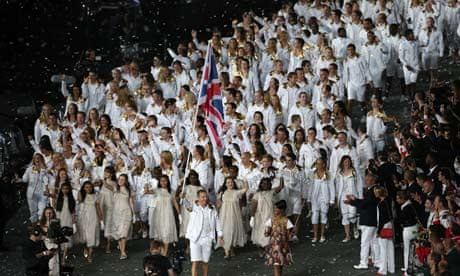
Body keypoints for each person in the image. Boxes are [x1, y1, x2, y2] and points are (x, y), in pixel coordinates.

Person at [345, 172, 380, 270]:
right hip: (372, 220)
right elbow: (365, 203)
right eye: (366, 180)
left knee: (365, 242)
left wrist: (352, 202)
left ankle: (363, 262)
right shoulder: (372, 190)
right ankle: (377, 261)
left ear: (373, 180)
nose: (366, 182)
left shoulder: (372, 190)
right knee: (374, 242)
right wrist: (354, 200)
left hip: (368, 220)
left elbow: (365, 204)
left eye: (368, 180)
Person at [185, 189, 223, 276]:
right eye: (202, 197)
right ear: (198, 198)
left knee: (205, 261)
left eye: (206, 196)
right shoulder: (194, 207)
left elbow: (217, 222)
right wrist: (182, 198)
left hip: (207, 238)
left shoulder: (212, 208)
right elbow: (186, 205)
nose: (205, 198)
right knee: (195, 262)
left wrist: (220, 235)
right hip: (195, 239)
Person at [217, 176, 248, 258]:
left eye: (231, 182)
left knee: (233, 230)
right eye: (228, 182)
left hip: (234, 215)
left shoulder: (236, 192)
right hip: (224, 216)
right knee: (225, 231)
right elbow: (219, 204)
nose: (230, 184)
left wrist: (245, 179)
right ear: (225, 184)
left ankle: (231, 248)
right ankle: (226, 250)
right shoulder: (223, 193)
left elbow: (245, 189)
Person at [264, 200, 293, 276]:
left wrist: (290, 235)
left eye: (277, 208)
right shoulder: (271, 220)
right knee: (276, 264)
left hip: (283, 245)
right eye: (275, 208)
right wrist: (267, 232)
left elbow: (289, 235)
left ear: (282, 210)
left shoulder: (286, 221)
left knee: (280, 264)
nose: (275, 210)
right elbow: (267, 232)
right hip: (274, 245)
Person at [111, 174, 135, 260]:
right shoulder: (115, 188)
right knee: (118, 233)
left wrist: (133, 214)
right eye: (119, 179)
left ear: (126, 181)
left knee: (123, 232)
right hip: (116, 213)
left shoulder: (129, 190)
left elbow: (131, 202)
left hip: (126, 212)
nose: (120, 181)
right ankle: (122, 250)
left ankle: (123, 252)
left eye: (123, 179)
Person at [396, 191, 419, 275]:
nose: (397, 200)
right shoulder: (411, 205)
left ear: (403, 199)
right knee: (413, 249)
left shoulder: (405, 208)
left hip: (408, 229)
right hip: (414, 228)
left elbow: (401, 220)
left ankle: (407, 270)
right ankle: (412, 267)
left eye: (398, 198)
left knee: (407, 250)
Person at [374, 186, 395, 276]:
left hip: (383, 226)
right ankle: (391, 267)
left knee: (383, 248)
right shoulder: (389, 200)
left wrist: (379, 232)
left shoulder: (381, 204)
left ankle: (383, 270)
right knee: (390, 246)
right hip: (390, 224)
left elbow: (381, 219)